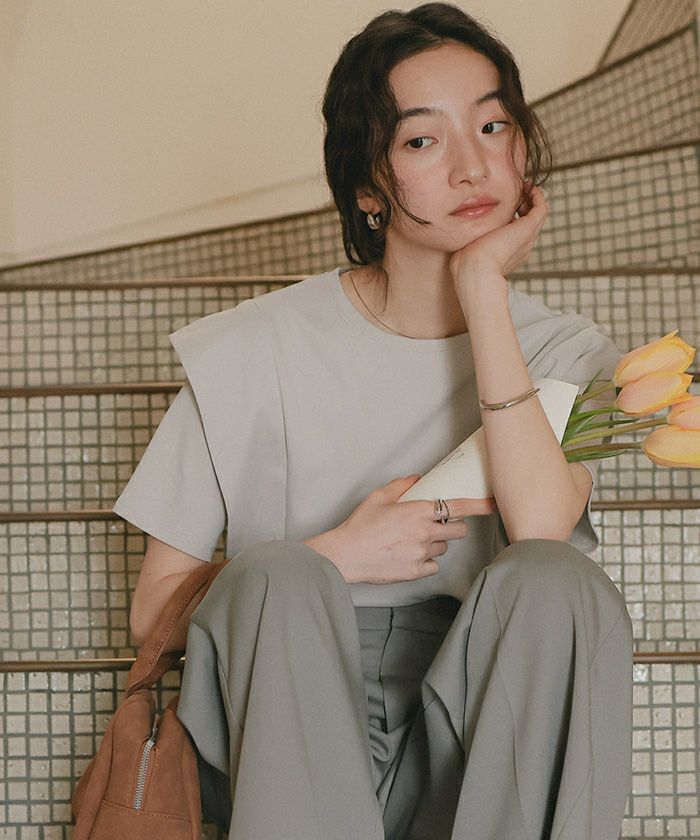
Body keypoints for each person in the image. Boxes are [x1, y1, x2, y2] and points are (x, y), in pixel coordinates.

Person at [113, 4, 634, 838]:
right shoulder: (250, 348)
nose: (473, 166)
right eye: (422, 140)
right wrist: (336, 558)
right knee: (280, 574)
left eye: (492, 125)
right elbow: (153, 613)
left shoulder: (566, 351)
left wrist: (482, 292)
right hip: (283, 704)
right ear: (367, 187)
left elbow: (541, 528)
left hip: (483, 714)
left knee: (557, 579)